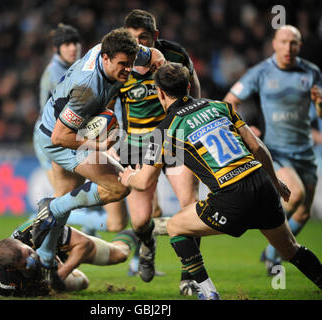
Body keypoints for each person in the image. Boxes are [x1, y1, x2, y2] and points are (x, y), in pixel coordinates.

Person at [119, 62, 322, 299]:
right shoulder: (219, 106)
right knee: (291, 250)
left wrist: (128, 177)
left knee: (175, 226)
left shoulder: (164, 130)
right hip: (262, 184)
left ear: (160, 93)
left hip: (231, 195)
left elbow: (144, 182)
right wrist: (275, 182)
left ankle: (208, 293)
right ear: (187, 86)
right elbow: (258, 147)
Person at [31, 27, 165, 289]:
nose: (127, 71)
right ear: (105, 58)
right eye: (122, 66)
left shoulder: (118, 52)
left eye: (130, 64)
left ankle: (46, 260)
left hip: (67, 128)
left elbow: (153, 56)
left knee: (65, 204)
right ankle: (52, 208)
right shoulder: (87, 89)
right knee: (118, 186)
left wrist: (159, 60)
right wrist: (99, 145)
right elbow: (61, 137)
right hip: (58, 139)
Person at [110, 9, 200, 290]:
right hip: (135, 144)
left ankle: (191, 275)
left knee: (190, 209)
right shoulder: (119, 61)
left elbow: (194, 90)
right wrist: (110, 140)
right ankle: (147, 244)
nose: (138, 45)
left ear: (155, 37)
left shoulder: (175, 55)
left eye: (144, 38)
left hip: (173, 138)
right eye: (133, 38)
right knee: (139, 222)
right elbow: (105, 106)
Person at [224, 25, 322, 275]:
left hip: (306, 152)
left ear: (300, 46)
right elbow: (228, 102)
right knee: (295, 195)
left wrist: (320, 105)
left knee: (303, 212)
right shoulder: (261, 72)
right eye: (284, 42)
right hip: (277, 151)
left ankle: (270, 254)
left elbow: (320, 114)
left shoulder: (311, 72)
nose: (288, 48)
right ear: (274, 44)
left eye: (294, 43)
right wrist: (242, 128)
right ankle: (274, 244)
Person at [34, 23, 127, 237]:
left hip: (70, 132)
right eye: (67, 44)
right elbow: (62, 123)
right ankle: (45, 217)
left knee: (71, 198)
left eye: (75, 42)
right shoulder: (59, 74)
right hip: (56, 135)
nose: (73, 47)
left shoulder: (94, 56)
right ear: (57, 48)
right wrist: (100, 144)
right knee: (68, 199)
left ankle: (49, 255)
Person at [0, 218, 139, 297]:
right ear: (10, 269)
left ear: (23, 244)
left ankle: (137, 231)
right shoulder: (3, 284)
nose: (33, 258)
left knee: (121, 255)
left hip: (60, 247)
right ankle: (71, 274)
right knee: (82, 283)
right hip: (48, 270)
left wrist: (62, 272)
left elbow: (84, 244)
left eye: (30, 252)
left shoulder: (39, 231)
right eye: (26, 263)